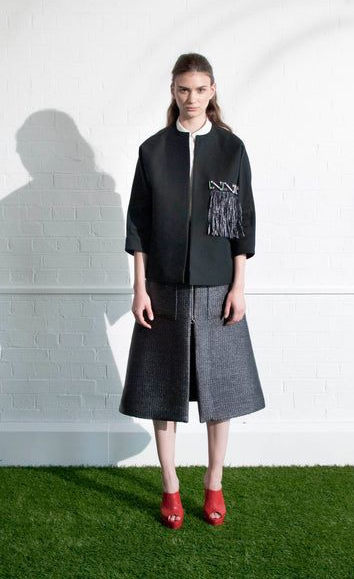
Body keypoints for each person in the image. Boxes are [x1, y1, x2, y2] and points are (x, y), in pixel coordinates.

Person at [119, 53, 265, 529]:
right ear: (173, 91)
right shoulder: (153, 150)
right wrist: (139, 288)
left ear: (212, 91)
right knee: (163, 391)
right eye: (184, 89)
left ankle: (214, 481)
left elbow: (241, 223)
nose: (192, 98)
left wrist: (239, 286)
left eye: (201, 89)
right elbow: (138, 224)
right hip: (162, 289)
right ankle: (170, 486)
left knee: (220, 392)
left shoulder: (231, 149)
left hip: (218, 287)